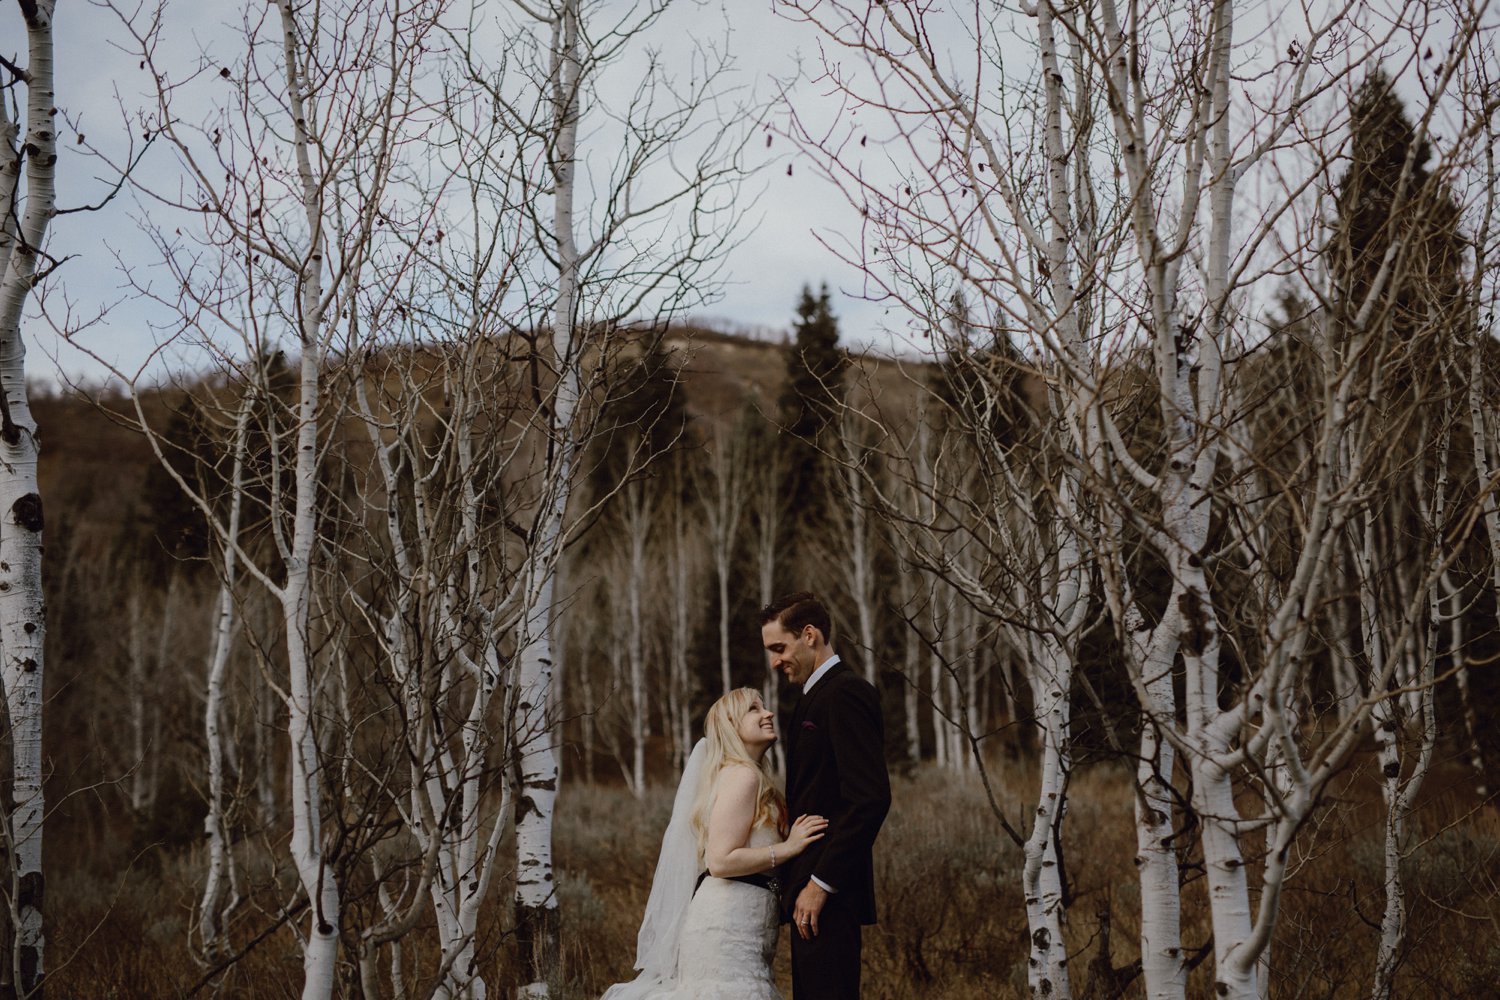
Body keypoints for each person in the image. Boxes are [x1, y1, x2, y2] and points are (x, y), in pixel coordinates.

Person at [603, 687, 829, 1000]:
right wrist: (789, 847)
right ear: (731, 726)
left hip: (744, 928)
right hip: (725, 931)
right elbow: (720, 861)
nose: (768, 714)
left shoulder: (749, 777)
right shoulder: (743, 777)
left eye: (764, 707)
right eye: (754, 709)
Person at [760, 592, 890, 1000]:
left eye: (779, 648)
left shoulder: (845, 693)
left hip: (828, 895)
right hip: (808, 894)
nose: (774, 662)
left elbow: (869, 798)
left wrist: (820, 883)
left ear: (810, 635)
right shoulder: (812, 697)